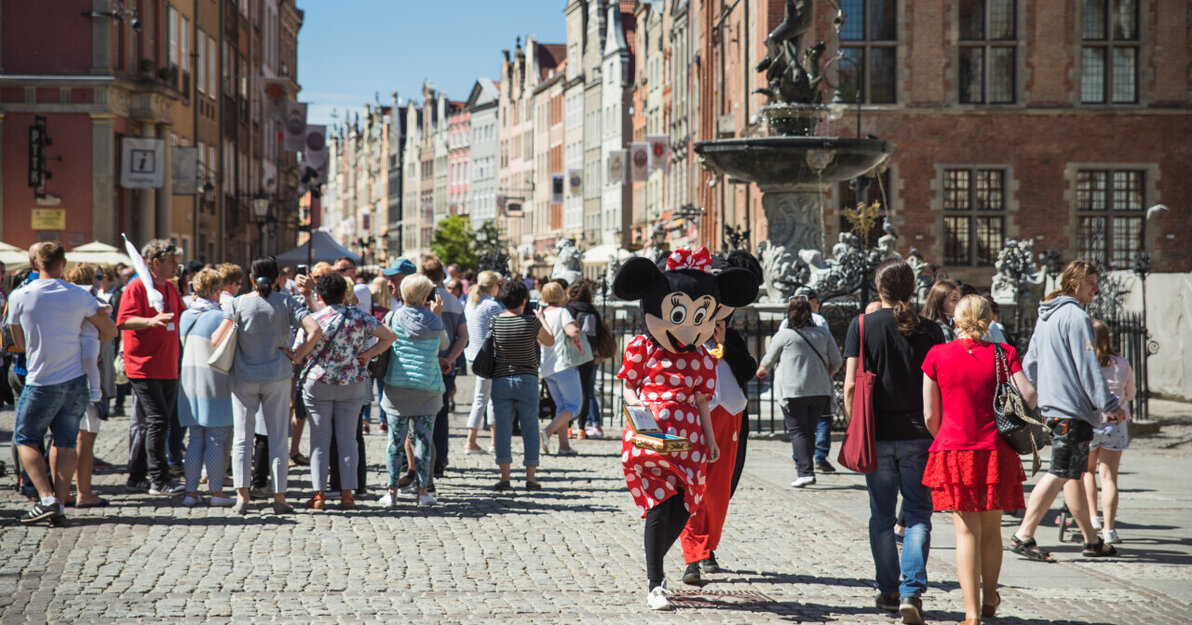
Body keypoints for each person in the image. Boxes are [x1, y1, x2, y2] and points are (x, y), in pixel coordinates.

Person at [611, 248, 758, 610]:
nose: (688, 327)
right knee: (662, 504)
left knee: (684, 505)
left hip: (690, 441)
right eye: (679, 315)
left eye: (698, 316)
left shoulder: (701, 358)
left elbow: (704, 400)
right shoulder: (642, 347)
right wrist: (636, 403)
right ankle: (655, 582)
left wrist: (710, 441)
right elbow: (629, 383)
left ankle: (654, 556)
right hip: (653, 436)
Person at [922, 295, 1036, 625]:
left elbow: (930, 414)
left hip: (954, 449)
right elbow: (1029, 396)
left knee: (965, 534)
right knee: (992, 532)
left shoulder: (937, 354)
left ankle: (971, 613)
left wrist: (943, 437)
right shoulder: (1004, 353)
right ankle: (990, 599)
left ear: (955, 321)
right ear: (988, 321)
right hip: (996, 451)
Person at [843, 259, 945, 623]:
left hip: (878, 435)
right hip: (920, 435)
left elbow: (853, 384)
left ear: (878, 287)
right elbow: (941, 388)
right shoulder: (932, 331)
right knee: (918, 515)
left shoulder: (862, 325)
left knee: (881, 517)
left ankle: (887, 590)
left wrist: (853, 422)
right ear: (912, 288)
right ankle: (912, 592)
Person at [1010, 260, 1126, 561]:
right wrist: (1110, 405)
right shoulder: (1076, 318)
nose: (1096, 288)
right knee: (1060, 471)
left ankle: (1091, 540)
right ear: (1075, 284)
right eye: (1091, 282)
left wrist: (1036, 400)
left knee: (1072, 473)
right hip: (1071, 409)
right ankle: (1024, 534)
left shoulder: (1046, 317)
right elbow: (1089, 369)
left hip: (1055, 408)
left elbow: (1030, 363)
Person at [8, 242, 117, 524]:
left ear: (35, 265)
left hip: (40, 378)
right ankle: (60, 500)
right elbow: (109, 330)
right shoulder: (78, 295)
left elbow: (17, 341)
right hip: (74, 379)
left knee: (25, 438)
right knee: (66, 440)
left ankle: (46, 498)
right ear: (63, 264)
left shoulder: (20, 295)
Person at [212, 257, 321, 515]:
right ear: (277, 280)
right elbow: (315, 329)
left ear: (251, 279)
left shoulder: (239, 303)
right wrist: (299, 354)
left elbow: (216, 340)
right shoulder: (287, 302)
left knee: (242, 439)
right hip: (278, 377)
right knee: (278, 440)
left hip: (244, 378)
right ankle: (280, 497)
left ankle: (243, 498)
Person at [302, 272, 396, 511]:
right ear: (345, 293)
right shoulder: (359, 316)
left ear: (320, 296)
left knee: (319, 441)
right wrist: (368, 354)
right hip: (352, 380)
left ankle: (320, 494)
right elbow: (389, 336)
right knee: (348, 440)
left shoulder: (314, 317)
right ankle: (347, 494)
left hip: (319, 381)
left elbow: (300, 349)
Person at [117, 239, 187, 495]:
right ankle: (160, 479)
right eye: (172, 262)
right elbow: (123, 321)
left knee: (151, 424)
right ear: (156, 262)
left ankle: (136, 476)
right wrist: (151, 321)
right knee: (159, 421)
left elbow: (182, 314)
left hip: (167, 365)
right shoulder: (136, 287)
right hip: (143, 366)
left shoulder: (170, 288)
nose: (176, 267)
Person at [757, 295, 842, 488]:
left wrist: (762, 371)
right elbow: (837, 361)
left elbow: (767, 362)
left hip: (794, 391)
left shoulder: (784, 335)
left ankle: (805, 472)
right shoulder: (823, 333)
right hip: (820, 391)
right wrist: (825, 372)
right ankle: (807, 467)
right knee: (809, 431)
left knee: (797, 432)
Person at [379, 274, 447, 507]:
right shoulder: (435, 321)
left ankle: (392, 492)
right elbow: (444, 345)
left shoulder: (394, 316)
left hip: (398, 385)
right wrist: (435, 313)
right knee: (423, 441)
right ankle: (423, 492)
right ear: (426, 296)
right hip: (427, 386)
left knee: (395, 441)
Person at [177, 268, 237, 507]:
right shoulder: (218, 317)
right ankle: (216, 491)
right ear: (215, 290)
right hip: (214, 380)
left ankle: (191, 493)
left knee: (195, 439)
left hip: (189, 380)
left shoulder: (185, 316)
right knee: (216, 437)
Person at [488, 280, 553, 491]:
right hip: (527, 378)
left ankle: (504, 477)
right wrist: (541, 319)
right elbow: (550, 340)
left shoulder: (495, 321)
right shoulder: (531, 322)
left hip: (501, 378)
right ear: (524, 301)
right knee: (530, 428)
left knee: (503, 430)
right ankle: (531, 478)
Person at [58, 263, 111, 508]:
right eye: (97, 277)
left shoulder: (63, 301)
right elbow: (110, 330)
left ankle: (62, 493)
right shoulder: (89, 300)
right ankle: (84, 492)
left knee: (62, 439)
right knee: (84, 439)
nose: (100, 282)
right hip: (86, 374)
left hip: (61, 371)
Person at [1082, 319, 1134, 545]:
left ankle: (1093, 517)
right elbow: (1130, 393)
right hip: (1115, 423)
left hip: (1090, 423)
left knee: (1087, 473)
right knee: (1110, 476)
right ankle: (1109, 528)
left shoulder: (1085, 364)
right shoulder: (1122, 363)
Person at [423, 256, 468, 479]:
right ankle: (440, 459)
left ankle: (417, 460)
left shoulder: (418, 299)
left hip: (424, 363)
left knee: (419, 413)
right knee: (441, 415)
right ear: (443, 275)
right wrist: (450, 358)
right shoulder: (453, 300)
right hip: (445, 365)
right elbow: (463, 336)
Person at [537, 281, 586, 456]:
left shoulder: (541, 314)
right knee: (574, 406)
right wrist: (577, 329)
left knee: (561, 407)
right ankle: (547, 431)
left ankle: (564, 446)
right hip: (563, 364)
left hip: (546, 367)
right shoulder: (562, 312)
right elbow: (572, 332)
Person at [464, 271, 503, 454]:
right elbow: (503, 331)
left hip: (472, 355)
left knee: (485, 398)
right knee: (484, 399)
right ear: (494, 286)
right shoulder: (491, 306)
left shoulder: (470, 303)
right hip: (487, 358)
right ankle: (473, 441)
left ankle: (492, 440)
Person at [566, 280, 606, 439]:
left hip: (571, 354)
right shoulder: (593, 310)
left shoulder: (569, 309)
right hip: (588, 354)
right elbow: (600, 333)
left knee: (569, 392)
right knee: (585, 390)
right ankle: (582, 428)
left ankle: (568, 427)